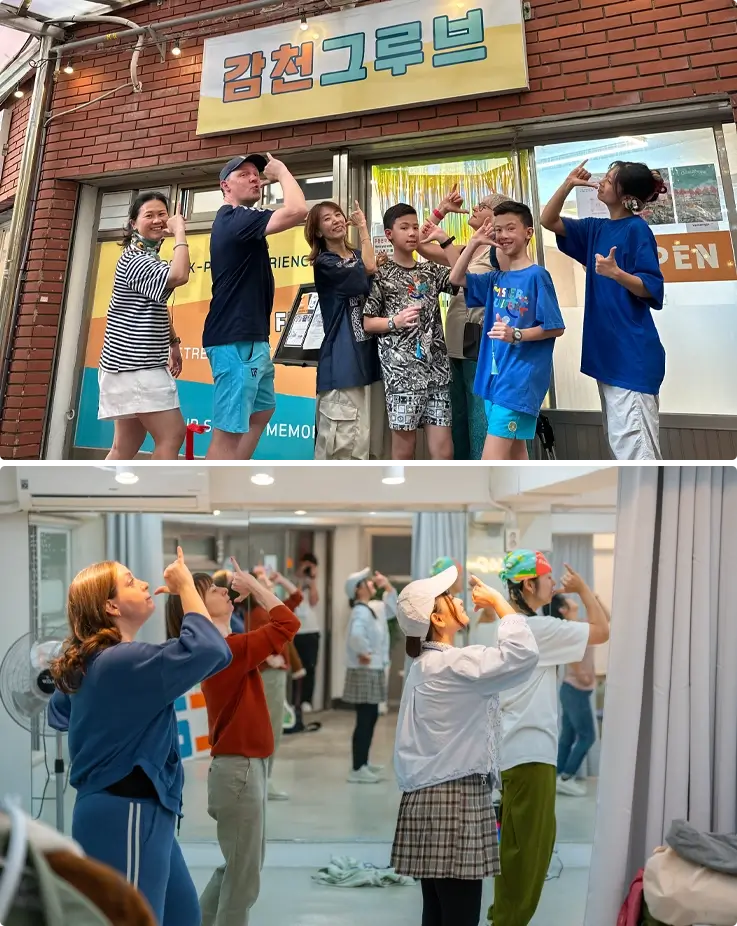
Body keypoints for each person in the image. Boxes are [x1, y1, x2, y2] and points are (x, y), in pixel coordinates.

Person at [47, 548, 232, 926]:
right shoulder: (122, 661)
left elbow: (58, 712)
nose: (146, 583)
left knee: (183, 917)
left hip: (138, 813)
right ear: (111, 606)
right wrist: (185, 588)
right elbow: (210, 648)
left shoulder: (101, 660)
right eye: (131, 581)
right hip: (127, 812)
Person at [391, 565, 539, 926]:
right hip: (452, 800)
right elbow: (522, 655)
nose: (458, 596)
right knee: (459, 913)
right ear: (437, 618)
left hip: (426, 797)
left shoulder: (424, 665)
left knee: (437, 910)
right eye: (448, 596)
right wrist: (500, 602)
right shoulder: (455, 663)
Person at [165, 559, 300, 926]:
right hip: (238, 771)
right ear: (196, 606)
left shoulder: (224, 649)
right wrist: (255, 586)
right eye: (214, 589)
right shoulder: (227, 651)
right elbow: (288, 622)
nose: (226, 590)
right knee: (243, 880)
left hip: (241, 769)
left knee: (239, 869)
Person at [480, 551, 610, 926]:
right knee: (527, 854)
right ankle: (505, 920)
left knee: (520, 849)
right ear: (527, 585)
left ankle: (502, 916)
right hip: (530, 756)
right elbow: (602, 631)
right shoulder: (536, 630)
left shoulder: (517, 626)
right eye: (547, 577)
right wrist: (585, 590)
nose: (554, 584)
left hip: (518, 754)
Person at [540, 159, 667, 462]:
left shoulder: (637, 230)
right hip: (608, 353)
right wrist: (568, 184)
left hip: (630, 356)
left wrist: (617, 273)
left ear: (626, 196)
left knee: (637, 451)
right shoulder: (596, 228)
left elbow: (652, 288)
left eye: (610, 180)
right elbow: (548, 220)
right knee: (622, 445)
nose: (602, 182)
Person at [204, 153, 308, 462]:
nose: (255, 178)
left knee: (262, 411)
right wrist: (282, 171)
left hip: (250, 339)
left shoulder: (242, 221)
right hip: (235, 339)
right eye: (245, 174)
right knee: (229, 431)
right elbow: (298, 210)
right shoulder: (233, 219)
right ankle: (208, 502)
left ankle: (230, 480)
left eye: (257, 173)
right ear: (226, 186)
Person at [450, 202, 566, 464]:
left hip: (518, 382)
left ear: (528, 232)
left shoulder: (538, 276)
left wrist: (516, 334)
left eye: (510, 228)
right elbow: (456, 279)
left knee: (489, 462)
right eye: (498, 230)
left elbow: (555, 326)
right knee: (515, 456)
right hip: (493, 379)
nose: (503, 235)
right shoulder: (496, 279)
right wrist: (475, 242)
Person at [363, 204, 460, 463]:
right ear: (389, 234)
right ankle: (403, 503)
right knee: (404, 453)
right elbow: (368, 323)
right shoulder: (380, 275)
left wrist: (443, 240)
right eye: (404, 227)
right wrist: (394, 321)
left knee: (445, 453)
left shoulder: (429, 270)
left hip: (437, 373)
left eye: (415, 227)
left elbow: (462, 279)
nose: (412, 232)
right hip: (402, 377)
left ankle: (441, 505)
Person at [420, 188, 510, 463]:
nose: (474, 208)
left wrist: (447, 243)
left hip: (482, 342)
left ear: (496, 217)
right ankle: (462, 477)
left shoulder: (499, 252)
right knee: (457, 415)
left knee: (479, 415)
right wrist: (442, 210)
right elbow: (421, 244)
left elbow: (465, 280)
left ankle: (483, 479)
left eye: (482, 206)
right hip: (456, 343)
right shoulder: (468, 249)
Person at [99, 192, 190, 463]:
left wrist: (173, 343)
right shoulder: (135, 259)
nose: (158, 220)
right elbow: (179, 275)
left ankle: (105, 499)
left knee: (124, 447)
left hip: (124, 365)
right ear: (133, 224)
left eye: (162, 214)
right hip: (135, 366)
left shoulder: (146, 256)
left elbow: (154, 306)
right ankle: (159, 501)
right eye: (149, 215)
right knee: (172, 435)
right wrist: (181, 233)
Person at [305, 200, 381, 462]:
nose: (336, 220)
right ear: (317, 231)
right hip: (341, 361)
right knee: (339, 444)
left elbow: (371, 269)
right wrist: (363, 229)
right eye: (327, 219)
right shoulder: (325, 262)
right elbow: (369, 269)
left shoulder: (358, 256)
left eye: (338, 214)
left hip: (365, 360)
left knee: (360, 443)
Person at [246, 565, 304, 801]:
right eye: (262, 582)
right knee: (270, 728)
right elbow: (250, 644)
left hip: (274, 674)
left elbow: (296, 597)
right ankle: (263, 780)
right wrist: (270, 657)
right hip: (269, 675)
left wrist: (281, 578)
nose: (268, 583)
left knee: (274, 727)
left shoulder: (269, 610)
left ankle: (264, 778)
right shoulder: (258, 614)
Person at [544, 592, 606, 797]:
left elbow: (606, 620)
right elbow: (569, 654)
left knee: (567, 737)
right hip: (575, 689)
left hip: (573, 690)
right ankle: (565, 776)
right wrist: (582, 674)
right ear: (563, 609)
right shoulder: (568, 630)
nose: (573, 600)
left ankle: (557, 777)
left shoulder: (579, 626)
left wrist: (595, 600)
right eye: (567, 601)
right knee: (587, 736)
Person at [343, 567, 396, 783]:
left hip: (371, 670)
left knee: (370, 717)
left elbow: (393, 609)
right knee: (365, 719)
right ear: (358, 589)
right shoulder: (361, 611)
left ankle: (363, 763)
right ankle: (357, 768)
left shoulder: (372, 607)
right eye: (367, 582)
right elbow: (356, 635)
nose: (371, 583)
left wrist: (387, 586)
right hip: (364, 670)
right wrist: (363, 651)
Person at [293, 552, 321, 713]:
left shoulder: (312, 583)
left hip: (311, 630)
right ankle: (294, 701)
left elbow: (314, 601)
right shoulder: (292, 581)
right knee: (296, 668)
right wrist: (299, 577)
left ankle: (306, 700)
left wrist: (312, 582)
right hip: (296, 631)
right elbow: (293, 598)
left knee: (310, 667)